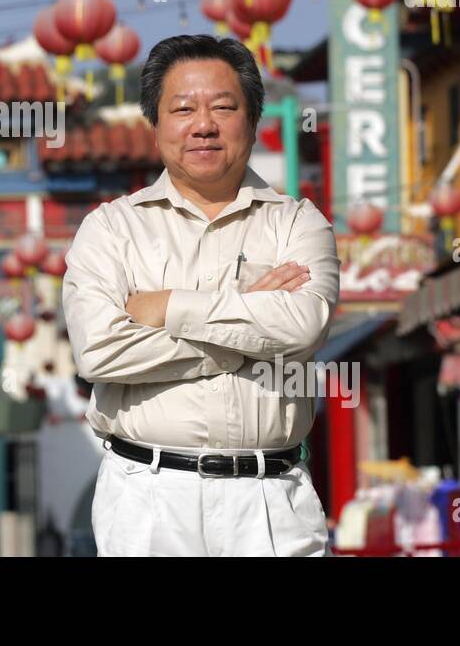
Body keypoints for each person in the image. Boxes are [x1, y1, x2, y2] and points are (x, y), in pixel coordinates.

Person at [63, 35, 340, 556]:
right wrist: (246, 320)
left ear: (253, 119)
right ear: (156, 123)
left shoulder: (299, 224)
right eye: (183, 108)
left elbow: (303, 327)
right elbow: (99, 352)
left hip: (268, 499)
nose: (203, 124)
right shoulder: (110, 230)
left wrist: (167, 307)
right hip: (146, 496)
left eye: (223, 107)